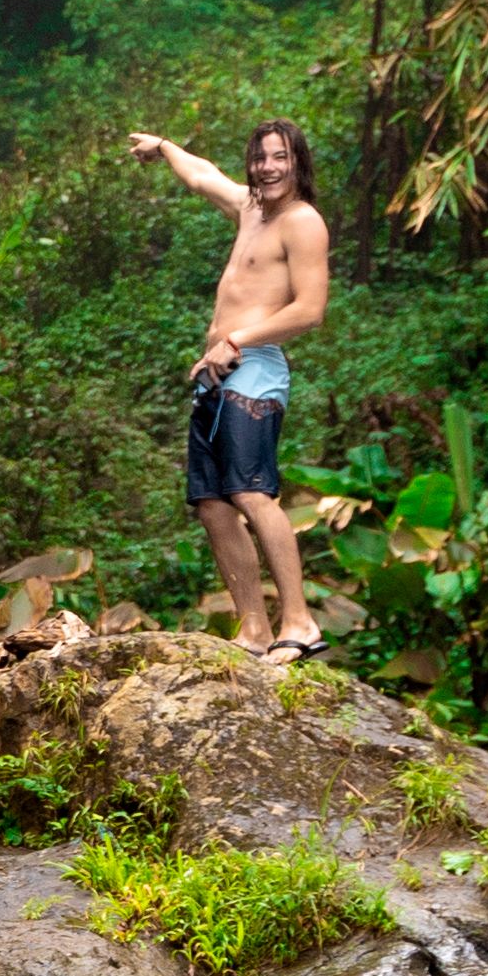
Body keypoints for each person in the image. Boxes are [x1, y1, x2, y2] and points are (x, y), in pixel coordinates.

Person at [124, 117, 329, 650]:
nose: (268, 167)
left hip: (255, 369)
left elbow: (310, 310)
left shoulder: (302, 222)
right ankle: (254, 629)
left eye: (280, 157)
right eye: (260, 157)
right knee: (212, 503)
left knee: (250, 491)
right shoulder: (249, 209)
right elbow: (202, 175)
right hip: (215, 376)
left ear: (298, 162)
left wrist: (236, 340)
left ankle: (299, 623)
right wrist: (163, 145)